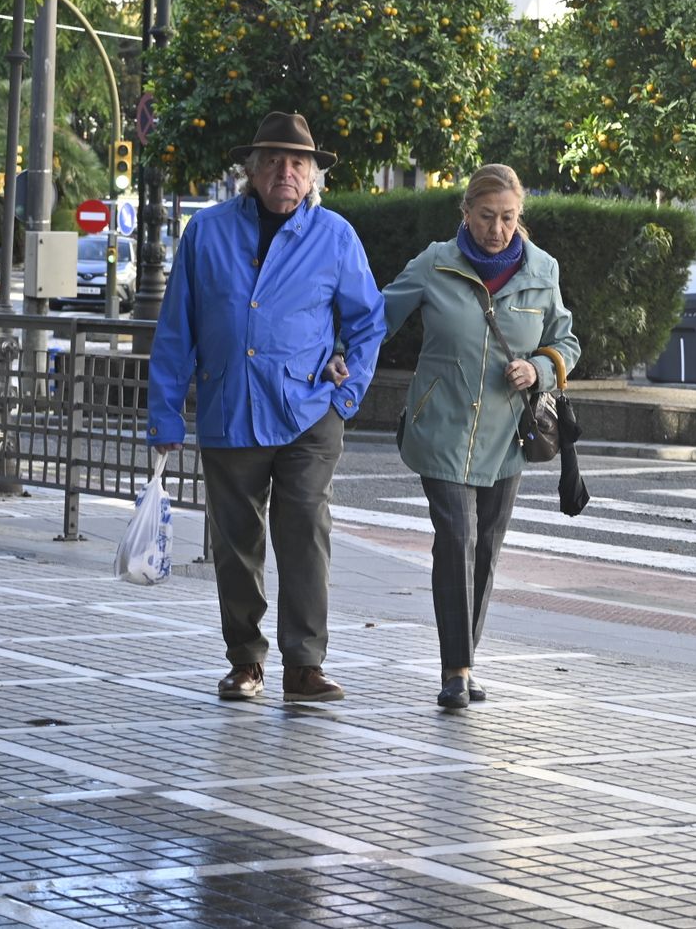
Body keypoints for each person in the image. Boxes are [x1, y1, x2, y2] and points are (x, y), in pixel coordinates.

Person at [147, 111, 386, 703]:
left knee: (305, 531)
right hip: (230, 405)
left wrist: (347, 393)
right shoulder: (205, 232)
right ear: (251, 171)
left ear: (313, 174)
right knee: (235, 543)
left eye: (298, 162)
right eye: (274, 161)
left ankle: (304, 663)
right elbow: (176, 329)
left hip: (309, 411)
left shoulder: (335, 236)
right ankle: (246, 660)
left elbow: (367, 322)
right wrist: (165, 414)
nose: (286, 171)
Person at [381, 165, 579, 709]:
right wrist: (337, 351)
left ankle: (466, 659)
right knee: (457, 538)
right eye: (487, 216)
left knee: (487, 547)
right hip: (440, 426)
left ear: (520, 216)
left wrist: (539, 368)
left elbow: (566, 340)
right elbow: (379, 316)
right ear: (465, 213)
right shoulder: (435, 263)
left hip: (507, 435)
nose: (497, 229)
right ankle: (456, 669)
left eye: (508, 218)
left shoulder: (542, 270)